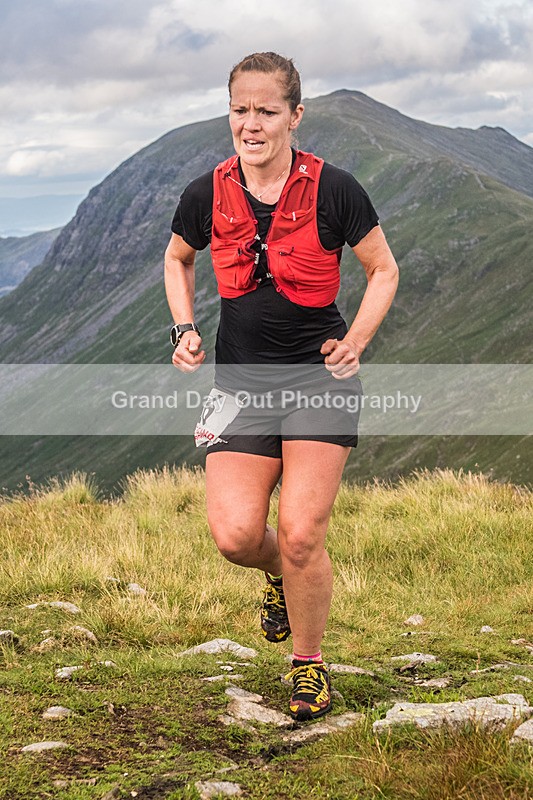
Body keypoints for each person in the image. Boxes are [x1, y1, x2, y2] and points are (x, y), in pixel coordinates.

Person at [164, 52, 399, 722]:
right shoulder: (205, 193)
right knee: (238, 537)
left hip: (317, 383)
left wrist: (354, 340)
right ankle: (277, 577)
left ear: (295, 115)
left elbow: (383, 270)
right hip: (238, 386)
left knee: (300, 532)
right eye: (240, 109)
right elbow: (177, 259)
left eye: (266, 110)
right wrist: (182, 328)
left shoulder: (335, 190)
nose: (251, 123)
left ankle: (307, 664)